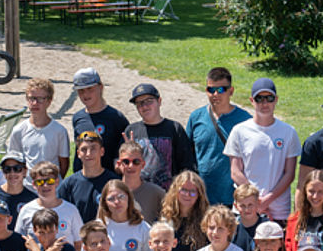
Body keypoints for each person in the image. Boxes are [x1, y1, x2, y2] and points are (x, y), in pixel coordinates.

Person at [224, 78, 301, 223]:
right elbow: (235, 172)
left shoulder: (288, 132)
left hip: (278, 210)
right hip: (245, 208)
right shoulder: (239, 131)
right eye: (259, 99)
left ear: (276, 100)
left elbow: (290, 173)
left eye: (269, 98)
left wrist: (266, 200)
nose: (265, 103)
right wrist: (254, 200)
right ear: (251, 100)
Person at [186, 67, 252, 206]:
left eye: (221, 89)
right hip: (202, 198)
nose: (215, 94)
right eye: (211, 90)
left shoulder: (245, 120)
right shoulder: (196, 117)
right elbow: (187, 154)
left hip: (234, 198)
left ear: (231, 91)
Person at [123, 83, 196, 190]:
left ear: (159, 101)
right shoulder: (131, 131)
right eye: (139, 103)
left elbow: (186, 164)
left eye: (149, 101)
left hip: (168, 195)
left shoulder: (174, 128)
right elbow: (118, 163)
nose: (144, 106)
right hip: (139, 194)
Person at [6, 78, 70, 180]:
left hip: (51, 186)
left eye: (40, 99)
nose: (35, 103)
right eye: (32, 98)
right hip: (27, 187)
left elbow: (64, 163)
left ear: (49, 101)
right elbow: (14, 161)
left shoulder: (59, 131)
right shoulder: (18, 130)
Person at [14, 162, 84, 251]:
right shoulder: (26, 210)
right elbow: (18, 242)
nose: (45, 186)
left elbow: (79, 245)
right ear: (34, 184)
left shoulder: (71, 210)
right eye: (40, 182)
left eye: (50, 181)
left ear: (57, 182)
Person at [71, 68, 128, 173]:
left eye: (90, 89)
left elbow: (123, 154)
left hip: (109, 182)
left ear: (100, 87)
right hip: (83, 180)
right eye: (81, 90)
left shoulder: (116, 118)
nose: (85, 94)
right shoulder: (78, 118)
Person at [58, 130, 119, 222]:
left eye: (93, 148)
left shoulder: (114, 182)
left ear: (102, 151)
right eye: (84, 149)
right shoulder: (68, 184)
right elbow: (61, 214)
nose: (88, 154)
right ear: (78, 154)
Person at [98, 180, 151, 251]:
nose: (117, 202)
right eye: (111, 199)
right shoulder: (98, 228)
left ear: (129, 198)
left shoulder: (143, 227)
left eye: (121, 197)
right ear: (105, 203)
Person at [161, 170, 210, 251]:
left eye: (193, 191)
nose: (187, 195)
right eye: (183, 190)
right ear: (175, 191)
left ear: (199, 195)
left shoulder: (207, 222)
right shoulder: (163, 221)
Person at [114, 141, 165, 223]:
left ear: (143, 164)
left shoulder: (155, 192)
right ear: (119, 164)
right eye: (126, 162)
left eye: (136, 162)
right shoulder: (111, 191)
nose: (131, 166)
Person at [0, 150, 37, 224]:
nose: (12, 173)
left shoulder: (32, 199)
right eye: (7, 169)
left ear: (25, 171)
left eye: (17, 169)